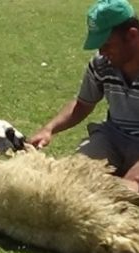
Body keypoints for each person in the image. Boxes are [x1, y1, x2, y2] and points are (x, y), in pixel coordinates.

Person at [29, 0, 139, 191]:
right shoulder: (102, 63)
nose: (102, 52)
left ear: (132, 35)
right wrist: (49, 129)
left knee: (127, 194)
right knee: (72, 177)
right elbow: (82, 105)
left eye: (107, 44)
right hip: (113, 137)